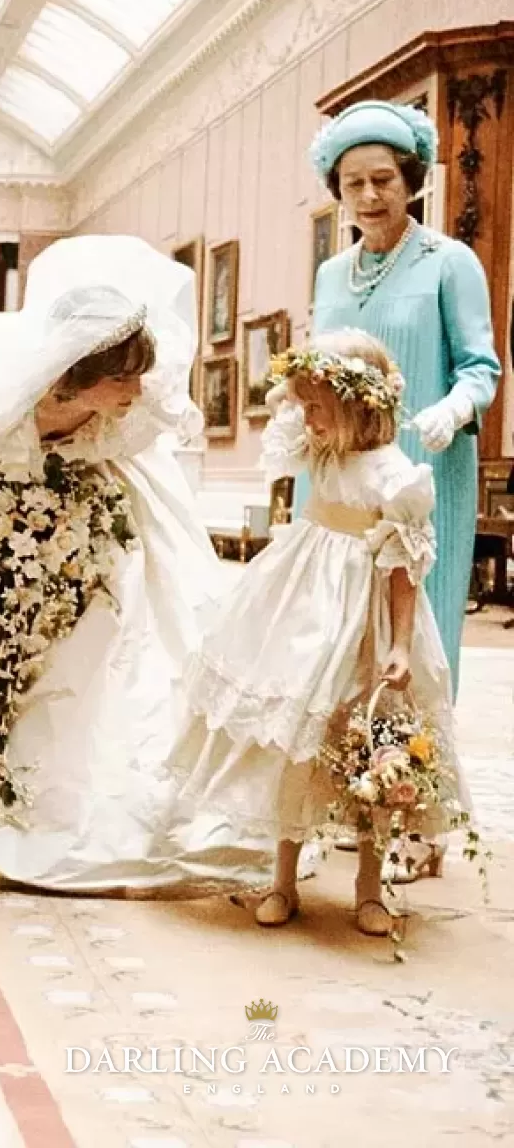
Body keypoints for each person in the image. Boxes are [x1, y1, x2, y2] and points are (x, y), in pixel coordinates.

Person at [0, 236, 274, 894]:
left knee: (118, 650)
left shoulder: (128, 419)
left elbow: (140, 431)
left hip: (96, 530)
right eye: (121, 377)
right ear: (76, 374)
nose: (136, 390)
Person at [161, 331, 465, 937]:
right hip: (302, 606)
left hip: (365, 615)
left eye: (319, 409)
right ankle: (282, 879)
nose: (308, 420)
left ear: (358, 408)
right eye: (306, 408)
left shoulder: (395, 475)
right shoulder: (320, 452)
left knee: (369, 748)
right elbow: (283, 411)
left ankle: (370, 887)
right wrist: (303, 386)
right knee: (294, 742)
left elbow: (404, 566)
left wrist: (400, 644)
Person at [306, 100, 500, 881]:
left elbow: (482, 367)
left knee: (414, 647)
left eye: (383, 179)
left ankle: (414, 823)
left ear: (412, 180)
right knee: (337, 647)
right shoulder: (329, 272)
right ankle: (346, 801)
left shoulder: (450, 261)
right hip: (339, 486)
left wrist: (453, 410)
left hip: (422, 476)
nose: (369, 195)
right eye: (353, 183)